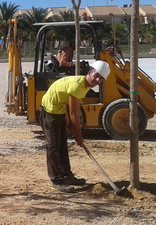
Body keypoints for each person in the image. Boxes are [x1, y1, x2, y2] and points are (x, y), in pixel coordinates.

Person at [39, 60, 111, 193]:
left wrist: (70, 125)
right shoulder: (77, 85)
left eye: (101, 78)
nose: (97, 79)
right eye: (96, 75)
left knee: (62, 145)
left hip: (59, 110)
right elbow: (74, 113)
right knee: (53, 147)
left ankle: (67, 176)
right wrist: (78, 135)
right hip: (49, 112)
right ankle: (56, 180)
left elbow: (68, 107)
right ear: (89, 73)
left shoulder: (85, 86)